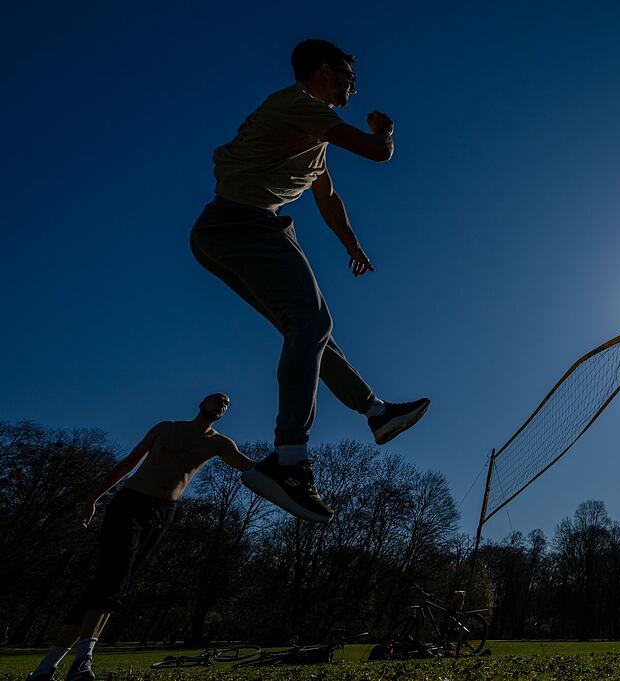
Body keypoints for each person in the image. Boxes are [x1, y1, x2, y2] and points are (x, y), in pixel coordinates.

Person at [189, 39, 430, 525]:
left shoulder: (310, 130)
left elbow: (328, 199)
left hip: (228, 230)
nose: (352, 87)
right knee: (311, 324)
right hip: (243, 222)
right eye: (346, 77)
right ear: (322, 72)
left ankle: (376, 411)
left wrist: (352, 246)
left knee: (310, 332)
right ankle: (288, 461)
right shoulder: (297, 105)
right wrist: (385, 131)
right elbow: (377, 153)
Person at [28, 394, 253, 681]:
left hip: (163, 512)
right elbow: (127, 463)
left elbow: (249, 465)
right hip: (130, 503)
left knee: (110, 584)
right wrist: (93, 499)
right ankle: (82, 661)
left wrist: (284, 464)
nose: (221, 404)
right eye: (217, 399)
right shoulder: (166, 428)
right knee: (115, 575)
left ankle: (45, 669)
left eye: (226, 404)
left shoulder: (219, 444)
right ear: (201, 402)